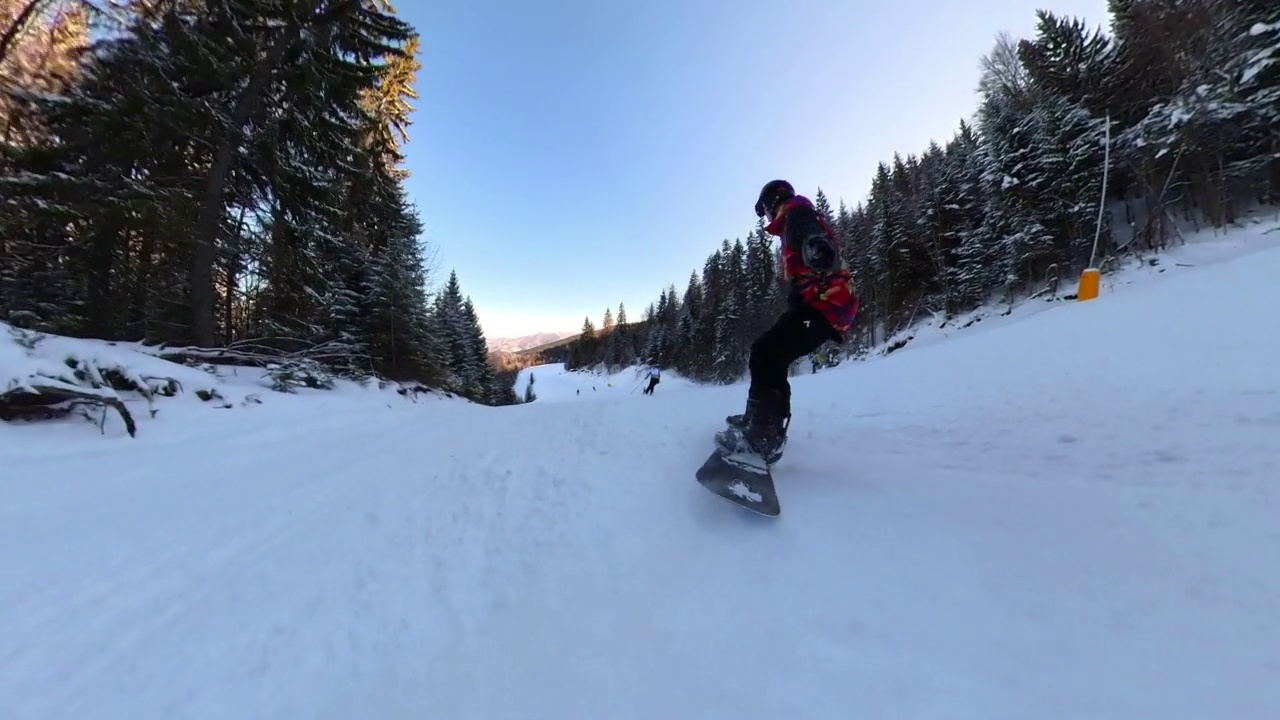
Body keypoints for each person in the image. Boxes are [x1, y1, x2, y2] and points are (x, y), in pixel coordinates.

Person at [715, 179, 860, 464]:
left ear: (773, 204)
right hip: (821, 304)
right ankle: (760, 419)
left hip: (827, 304)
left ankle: (763, 437)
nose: (768, 218)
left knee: (767, 353)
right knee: (769, 353)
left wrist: (816, 247)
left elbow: (812, 236)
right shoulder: (794, 217)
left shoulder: (796, 214)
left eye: (767, 211)